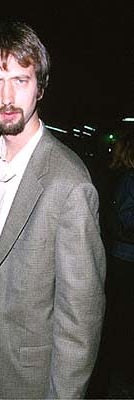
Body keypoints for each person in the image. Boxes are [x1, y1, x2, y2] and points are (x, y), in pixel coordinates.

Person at [0, 21, 106, 399]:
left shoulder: (70, 184)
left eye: (21, 80)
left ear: (40, 88)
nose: (7, 96)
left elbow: (80, 322)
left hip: (27, 380)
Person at [102, 131, 134, 395]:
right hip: (124, 259)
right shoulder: (126, 180)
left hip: (123, 258)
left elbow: (124, 224)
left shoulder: (125, 180)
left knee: (120, 318)